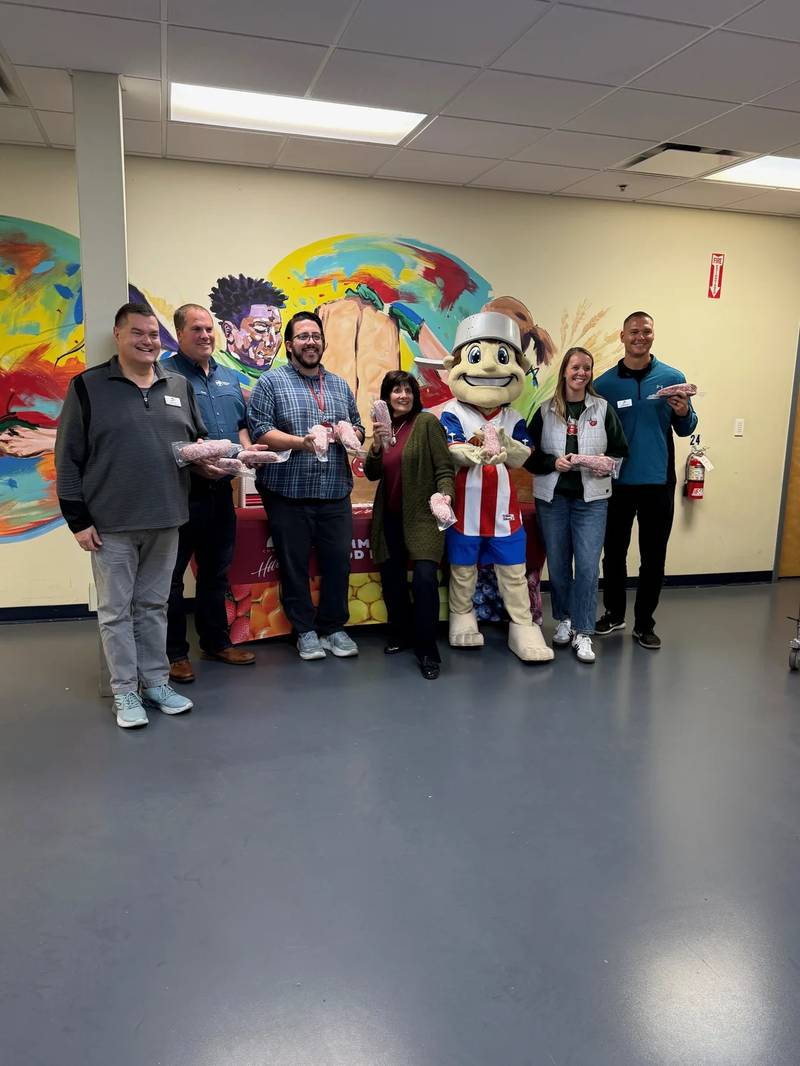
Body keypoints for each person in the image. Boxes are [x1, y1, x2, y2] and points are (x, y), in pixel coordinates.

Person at [54, 302, 204, 728]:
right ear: (118, 335)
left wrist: (219, 459)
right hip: (110, 526)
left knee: (154, 606)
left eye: (154, 334)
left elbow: (196, 443)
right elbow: (67, 460)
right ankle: (125, 692)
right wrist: (77, 520)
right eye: (138, 333)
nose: (148, 341)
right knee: (116, 611)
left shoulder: (178, 384)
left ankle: (156, 683)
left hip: (168, 519)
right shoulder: (87, 386)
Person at [247, 311, 365, 660]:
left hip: (334, 491)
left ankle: (333, 627)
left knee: (337, 563)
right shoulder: (270, 383)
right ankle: (305, 631)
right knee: (293, 564)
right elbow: (261, 431)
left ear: (323, 343)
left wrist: (349, 434)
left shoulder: (341, 384)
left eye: (315, 336)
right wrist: (304, 443)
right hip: (287, 493)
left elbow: (357, 427)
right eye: (303, 337)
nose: (310, 342)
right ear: (289, 344)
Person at [161, 304, 258, 683]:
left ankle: (216, 642)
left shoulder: (229, 378)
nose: (205, 335)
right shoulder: (163, 375)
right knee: (170, 578)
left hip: (221, 492)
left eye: (209, 329)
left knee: (216, 573)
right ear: (180, 334)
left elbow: (241, 428)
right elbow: (160, 435)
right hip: (180, 492)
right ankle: (174, 654)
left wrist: (250, 456)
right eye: (196, 329)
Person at [593, 311, 697, 649]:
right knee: (614, 555)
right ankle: (614, 614)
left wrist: (683, 411)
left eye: (646, 331)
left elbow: (685, 428)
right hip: (618, 484)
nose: (640, 337)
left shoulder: (672, 377)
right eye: (634, 332)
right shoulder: (604, 384)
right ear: (621, 336)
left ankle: (644, 624)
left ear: (654, 335)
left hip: (657, 481)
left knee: (653, 557)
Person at [526, 347, 628, 664]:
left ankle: (584, 631)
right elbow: (528, 456)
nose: (581, 372)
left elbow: (621, 451)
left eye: (586, 367)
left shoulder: (602, 409)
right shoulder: (545, 411)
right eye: (575, 367)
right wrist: (552, 463)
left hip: (592, 500)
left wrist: (607, 464)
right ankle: (565, 620)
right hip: (552, 500)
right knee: (557, 565)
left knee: (585, 566)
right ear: (564, 371)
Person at [364, 370, 455, 680]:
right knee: (392, 578)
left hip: (424, 516)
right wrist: (375, 446)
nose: (402, 395)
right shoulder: (385, 428)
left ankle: (427, 649)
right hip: (388, 516)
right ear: (386, 396)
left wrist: (445, 497)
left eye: (407, 390)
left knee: (425, 580)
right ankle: (401, 633)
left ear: (415, 396)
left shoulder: (426, 423)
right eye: (395, 390)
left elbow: (444, 468)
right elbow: (372, 473)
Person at [208, 274, 287, 386]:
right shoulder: (213, 367)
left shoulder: (287, 370)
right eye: (260, 329)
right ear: (229, 331)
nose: (271, 342)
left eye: (277, 331)